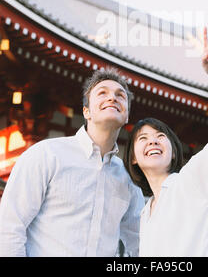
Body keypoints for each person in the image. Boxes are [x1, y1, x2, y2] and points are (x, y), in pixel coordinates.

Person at [0, 68, 144, 257]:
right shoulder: (46, 155)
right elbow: (10, 226)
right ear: (86, 111)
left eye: (120, 95)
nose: (112, 98)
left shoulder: (128, 179)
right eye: (102, 93)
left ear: (126, 116)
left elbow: (140, 241)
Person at [124, 27, 208, 257]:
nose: (153, 142)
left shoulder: (191, 180)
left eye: (160, 137)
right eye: (143, 139)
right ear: (133, 158)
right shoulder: (144, 214)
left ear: (174, 152)